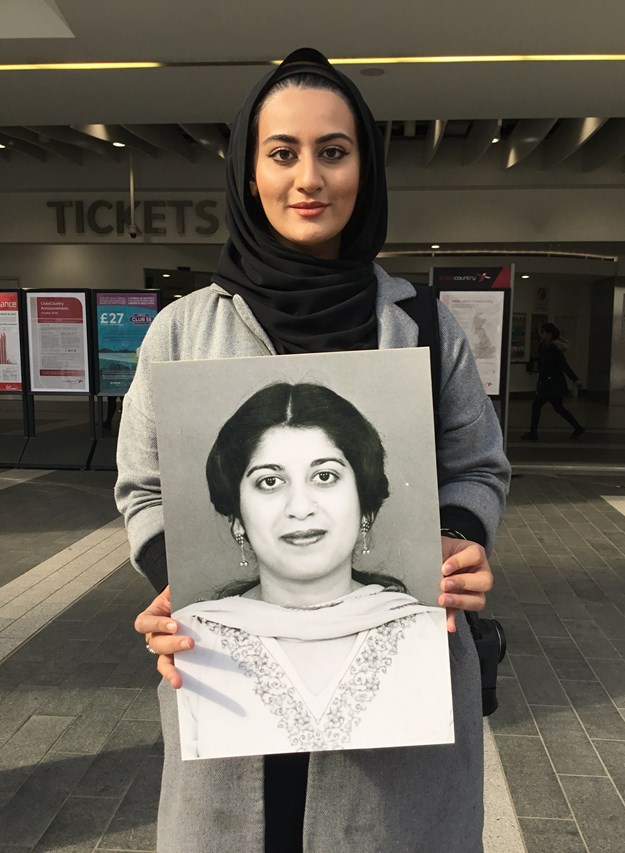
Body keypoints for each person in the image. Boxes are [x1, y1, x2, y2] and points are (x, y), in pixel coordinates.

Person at [117, 47, 510, 853]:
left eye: (334, 151)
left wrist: (460, 538)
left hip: (404, 694)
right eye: (283, 152)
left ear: (363, 166)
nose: (309, 178)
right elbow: (144, 488)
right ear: (247, 171)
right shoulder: (183, 331)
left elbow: (477, 466)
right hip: (229, 689)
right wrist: (178, 581)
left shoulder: (425, 324)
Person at [173, 382, 454, 760]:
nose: (300, 507)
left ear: (365, 505)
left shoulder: (427, 636)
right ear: (237, 517)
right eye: (270, 482)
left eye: (324, 476)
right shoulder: (193, 641)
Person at [521, 321, 585, 441]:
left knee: (537, 407)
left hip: (552, 385)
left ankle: (533, 433)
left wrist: (575, 379)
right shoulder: (542, 347)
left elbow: (563, 365)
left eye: (543, 332)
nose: (540, 334)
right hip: (547, 384)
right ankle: (578, 427)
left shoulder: (554, 350)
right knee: (558, 408)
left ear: (549, 334)